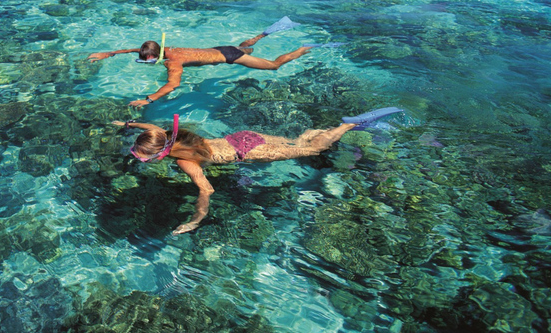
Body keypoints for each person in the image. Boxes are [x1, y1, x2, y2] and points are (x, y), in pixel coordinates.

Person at [114, 108, 403, 235]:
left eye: (144, 158)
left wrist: (196, 219)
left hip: (248, 152)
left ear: (162, 153)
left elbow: (207, 190)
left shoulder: (185, 162)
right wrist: (128, 125)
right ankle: (322, 131)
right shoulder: (165, 134)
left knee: (313, 151)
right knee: (296, 144)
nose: (143, 161)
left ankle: (348, 125)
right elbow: (147, 127)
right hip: (242, 138)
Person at [88, 17, 312, 108]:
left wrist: (149, 99)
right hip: (221, 49)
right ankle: (263, 34)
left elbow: (173, 85)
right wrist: (109, 53)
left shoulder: (173, 62)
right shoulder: (163, 49)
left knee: (273, 66)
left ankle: (303, 49)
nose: (146, 61)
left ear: (157, 56)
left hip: (230, 57)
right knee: (246, 47)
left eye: (149, 60)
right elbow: (133, 49)